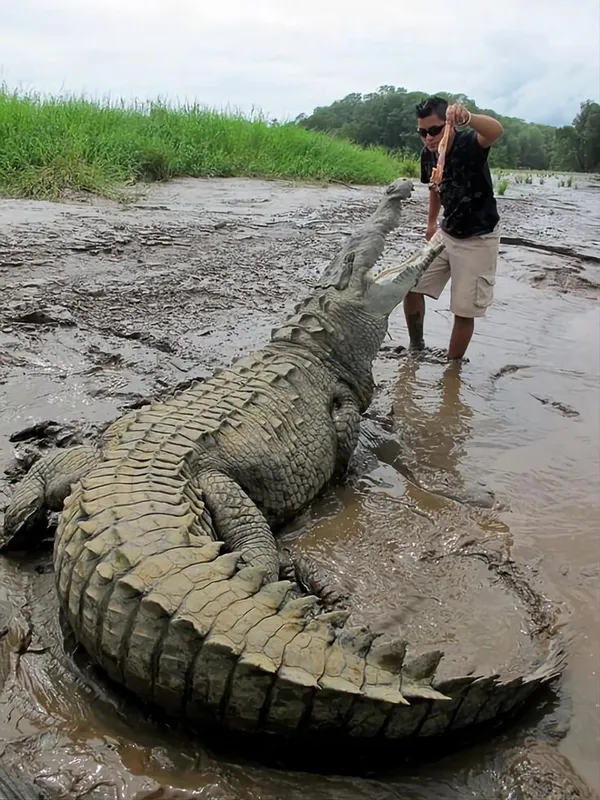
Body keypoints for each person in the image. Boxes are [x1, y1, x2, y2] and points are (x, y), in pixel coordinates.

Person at [403, 96, 504, 360]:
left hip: (479, 237)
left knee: (464, 309)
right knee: (410, 286)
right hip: (446, 232)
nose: (428, 138)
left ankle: (452, 368)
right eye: (422, 132)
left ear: (449, 126)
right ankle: (416, 349)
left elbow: (495, 130)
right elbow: (434, 187)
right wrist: (431, 222)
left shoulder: (469, 144)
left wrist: (469, 117)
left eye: (434, 131)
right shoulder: (428, 154)